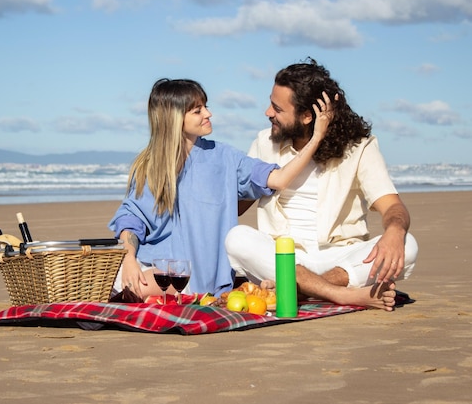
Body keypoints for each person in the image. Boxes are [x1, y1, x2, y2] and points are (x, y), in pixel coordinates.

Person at [108, 78, 333, 299]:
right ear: (174, 118)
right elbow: (131, 220)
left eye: (206, 106)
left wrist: (317, 137)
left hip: (189, 278)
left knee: (141, 287)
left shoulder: (226, 157)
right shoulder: (149, 166)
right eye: (197, 111)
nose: (208, 114)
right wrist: (129, 261)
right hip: (149, 263)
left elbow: (280, 179)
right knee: (113, 279)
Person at [225, 58, 418, 312]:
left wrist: (394, 230)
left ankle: (302, 291)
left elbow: (393, 206)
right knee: (237, 238)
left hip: (340, 259)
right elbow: (237, 206)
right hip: (282, 259)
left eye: (277, 109)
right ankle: (340, 294)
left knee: (407, 244)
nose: (267, 113)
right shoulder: (264, 143)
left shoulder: (359, 147)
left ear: (306, 116)